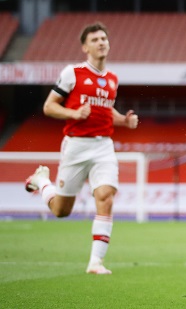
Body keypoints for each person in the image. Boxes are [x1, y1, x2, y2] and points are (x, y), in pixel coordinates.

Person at [24, 22, 139, 275]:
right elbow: (49, 106)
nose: (101, 42)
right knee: (61, 210)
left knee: (106, 196)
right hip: (76, 145)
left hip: (104, 146)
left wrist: (124, 120)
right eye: (95, 40)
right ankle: (41, 181)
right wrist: (74, 113)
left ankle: (95, 262)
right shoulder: (72, 73)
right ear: (85, 47)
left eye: (104, 38)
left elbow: (105, 109)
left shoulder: (112, 79)